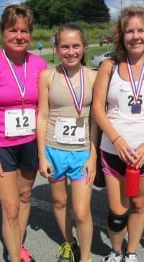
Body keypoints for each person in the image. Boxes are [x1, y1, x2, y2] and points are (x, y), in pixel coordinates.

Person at [92, 6, 144, 262]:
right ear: (121, 35)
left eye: (141, 30)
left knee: (139, 205)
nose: (135, 36)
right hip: (113, 150)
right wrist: (116, 140)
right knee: (117, 212)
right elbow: (98, 108)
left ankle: (131, 253)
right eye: (130, 31)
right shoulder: (109, 66)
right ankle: (115, 252)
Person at [0, 4, 47, 262]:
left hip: (30, 141)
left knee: (25, 196)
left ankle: (18, 243)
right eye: (13, 30)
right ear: (3, 31)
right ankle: (14, 257)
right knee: (11, 206)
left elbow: (45, 107)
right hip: (1, 145)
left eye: (24, 31)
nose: (19, 36)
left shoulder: (38, 64)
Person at [36, 23, 98, 262]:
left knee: (81, 212)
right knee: (60, 201)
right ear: (56, 48)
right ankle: (68, 243)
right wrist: (42, 155)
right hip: (53, 150)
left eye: (75, 46)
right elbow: (42, 116)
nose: (70, 51)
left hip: (82, 152)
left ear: (84, 47)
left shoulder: (93, 76)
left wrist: (93, 155)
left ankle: (85, 257)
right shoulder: (47, 76)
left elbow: (95, 120)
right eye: (64, 47)